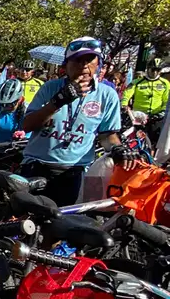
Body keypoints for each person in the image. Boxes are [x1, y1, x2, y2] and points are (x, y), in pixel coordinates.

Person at [21, 36, 121, 207]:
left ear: (98, 64)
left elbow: (107, 135)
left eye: (89, 60)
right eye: (77, 60)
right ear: (66, 65)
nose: (84, 65)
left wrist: (117, 148)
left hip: (75, 172)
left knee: (67, 226)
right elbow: (28, 125)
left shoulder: (107, 95)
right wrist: (57, 102)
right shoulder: (50, 88)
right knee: (28, 225)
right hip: (37, 167)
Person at [121, 60, 170, 143]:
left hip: (156, 117)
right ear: (148, 69)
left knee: (154, 141)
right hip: (139, 117)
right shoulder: (137, 82)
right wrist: (124, 105)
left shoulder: (165, 83)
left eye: (157, 70)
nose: (155, 72)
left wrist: (162, 112)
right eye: (153, 70)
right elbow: (126, 95)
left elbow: (166, 100)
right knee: (136, 140)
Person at [0, 78, 26, 144]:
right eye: (3, 104)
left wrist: (23, 134)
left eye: (11, 104)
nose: (6, 107)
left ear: (21, 99)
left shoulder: (27, 110)